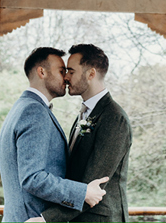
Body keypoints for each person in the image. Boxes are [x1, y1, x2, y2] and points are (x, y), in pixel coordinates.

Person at [0, 47, 109, 223]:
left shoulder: (22, 107)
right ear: (42, 72)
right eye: (61, 71)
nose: (66, 77)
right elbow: (32, 178)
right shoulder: (34, 111)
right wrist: (83, 192)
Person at [39, 44, 133, 222]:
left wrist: (46, 219)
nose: (66, 77)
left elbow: (94, 184)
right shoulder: (85, 113)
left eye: (71, 71)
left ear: (91, 74)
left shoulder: (114, 118)